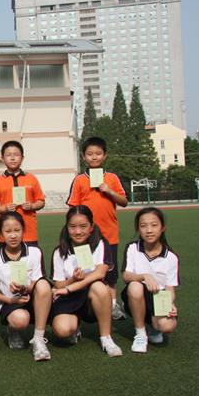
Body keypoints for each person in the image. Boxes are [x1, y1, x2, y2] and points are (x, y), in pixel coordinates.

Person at [66, 137, 129, 320]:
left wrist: (110, 191)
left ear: (105, 155)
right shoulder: (79, 180)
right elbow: (73, 207)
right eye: (90, 154)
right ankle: (83, 302)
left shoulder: (112, 178)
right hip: (86, 236)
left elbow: (124, 201)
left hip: (109, 234)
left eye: (98, 153)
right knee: (86, 269)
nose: (94, 157)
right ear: (83, 156)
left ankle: (113, 305)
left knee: (110, 274)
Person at [51, 205, 123, 357]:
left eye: (83, 226)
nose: (78, 231)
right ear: (67, 227)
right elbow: (59, 284)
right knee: (62, 330)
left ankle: (106, 338)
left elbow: (100, 272)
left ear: (92, 226)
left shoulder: (100, 244)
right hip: (70, 298)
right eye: (73, 226)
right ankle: (75, 326)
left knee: (99, 287)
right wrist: (72, 279)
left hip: (92, 298)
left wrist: (70, 288)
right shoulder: (59, 251)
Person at [0, 212, 53, 361]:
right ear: (1, 233)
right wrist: (11, 300)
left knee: (44, 284)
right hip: (10, 302)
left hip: (33, 298)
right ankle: (13, 330)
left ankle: (39, 339)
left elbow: (37, 284)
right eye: (8, 231)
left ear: (24, 230)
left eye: (17, 230)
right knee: (20, 320)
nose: (13, 235)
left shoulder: (35, 252)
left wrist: (23, 289)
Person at [121, 207, 179, 353]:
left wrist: (170, 304)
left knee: (167, 326)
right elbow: (127, 277)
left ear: (163, 227)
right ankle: (140, 333)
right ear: (138, 229)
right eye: (143, 226)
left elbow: (170, 289)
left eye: (154, 225)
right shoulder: (132, 248)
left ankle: (153, 327)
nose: (149, 230)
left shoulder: (171, 257)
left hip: (159, 300)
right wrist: (145, 276)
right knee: (135, 286)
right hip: (136, 297)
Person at [0, 141, 45, 247]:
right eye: (8, 155)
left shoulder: (31, 179)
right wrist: (5, 208)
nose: (12, 158)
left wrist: (32, 206)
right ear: (2, 158)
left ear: (22, 158)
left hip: (29, 233)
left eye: (16, 155)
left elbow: (41, 201)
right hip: (6, 235)